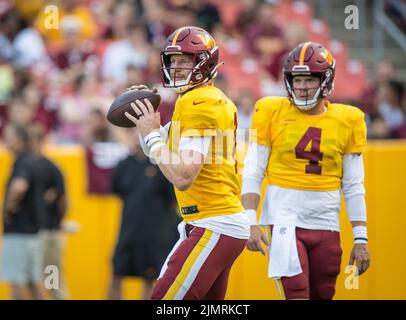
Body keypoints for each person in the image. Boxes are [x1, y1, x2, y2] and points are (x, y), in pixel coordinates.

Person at [124, 26, 249, 300]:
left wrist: (152, 136)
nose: (177, 67)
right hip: (213, 222)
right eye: (173, 60)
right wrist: (148, 126)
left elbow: (182, 176)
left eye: (185, 60)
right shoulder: (195, 100)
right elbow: (159, 154)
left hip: (214, 222)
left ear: (205, 62)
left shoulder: (199, 102)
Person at [241, 42, 370, 300]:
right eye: (297, 79)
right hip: (284, 218)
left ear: (326, 80)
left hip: (326, 221)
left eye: (309, 79)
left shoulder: (349, 119)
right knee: (297, 294)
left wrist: (361, 238)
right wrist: (250, 221)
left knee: (323, 295)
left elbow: (354, 184)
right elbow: (253, 170)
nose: (301, 86)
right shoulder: (271, 111)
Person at [108, 129, 180, 300]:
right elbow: (116, 190)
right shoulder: (124, 164)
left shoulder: (160, 165)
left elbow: (172, 199)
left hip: (154, 234)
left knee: (150, 280)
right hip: (128, 231)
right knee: (116, 276)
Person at [1, 123, 45, 300]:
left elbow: (19, 187)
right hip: (32, 231)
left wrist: (9, 208)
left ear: (19, 140)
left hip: (19, 231)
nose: (6, 140)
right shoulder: (34, 160)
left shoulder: (22, 162)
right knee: (34, 282)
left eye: (9, 137)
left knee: (17, 281)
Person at [29, 124, 69, 300]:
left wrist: (56, 225)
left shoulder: (50, 168)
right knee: (33, 277)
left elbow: (64, 200)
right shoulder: (26, 165)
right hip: (33, 232)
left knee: (52, 276)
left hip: (49, 232)